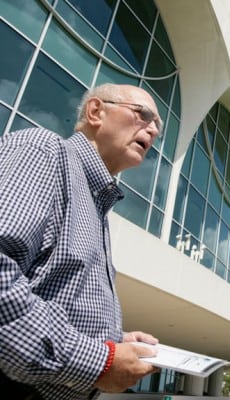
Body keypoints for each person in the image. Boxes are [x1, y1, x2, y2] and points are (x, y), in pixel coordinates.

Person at [0, 83, 164, 399]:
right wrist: (101, 361)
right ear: (95, 111)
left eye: (157, 126)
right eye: (142, 115)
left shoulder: (96, 205)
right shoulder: (44, 151)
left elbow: (52, 295)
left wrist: (116, 340)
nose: (153, 129)